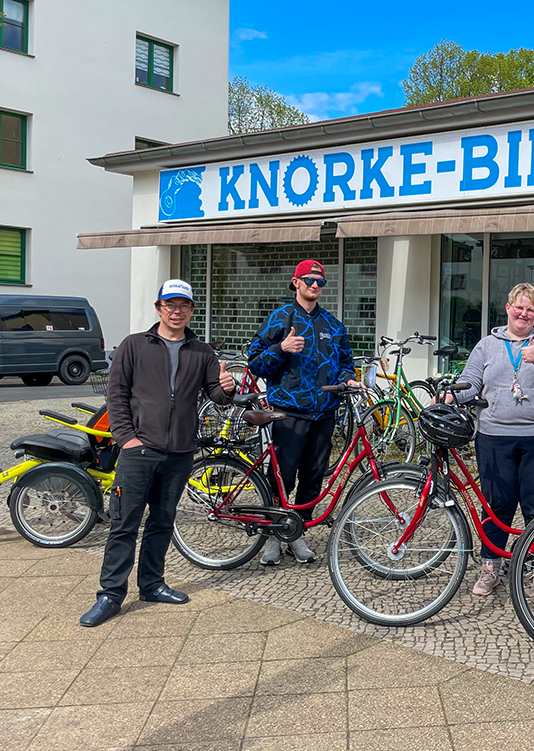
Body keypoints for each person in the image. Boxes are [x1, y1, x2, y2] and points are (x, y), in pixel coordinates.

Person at [80, 280, 236, 627]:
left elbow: (217, 396)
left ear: (192, 310)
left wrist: (228, 386)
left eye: (183, 305)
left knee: (163, 522)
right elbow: (116, 397)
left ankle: (152, 584)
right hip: (139, 450)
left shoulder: (202, 352)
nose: (176, 311)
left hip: (180, 452)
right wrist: (126, 438)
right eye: (170, 304)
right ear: (158, 308)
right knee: (124, 523)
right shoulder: (134, 346)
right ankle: (110, 594)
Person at [445, 283, 534, 596]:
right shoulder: (487, 345)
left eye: (531, 309)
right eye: (519, 307)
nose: (524, 313)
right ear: (508, 308)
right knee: (496, 505)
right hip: (493, 436)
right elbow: (471, 382)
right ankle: (491, 567)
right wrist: (452, 395)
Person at [247, 259, 357, 566]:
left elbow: (347, 361)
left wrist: (348, 378)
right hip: (287, 413)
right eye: (308, 280)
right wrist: (281, 348)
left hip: (324, 414)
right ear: (296, 282)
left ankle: (296, 532)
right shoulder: (281, 318)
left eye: (320, 282)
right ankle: (272, 533)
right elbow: (254, 362)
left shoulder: (334, 325)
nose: (314, 285)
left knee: (313, 477)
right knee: (282, 477)